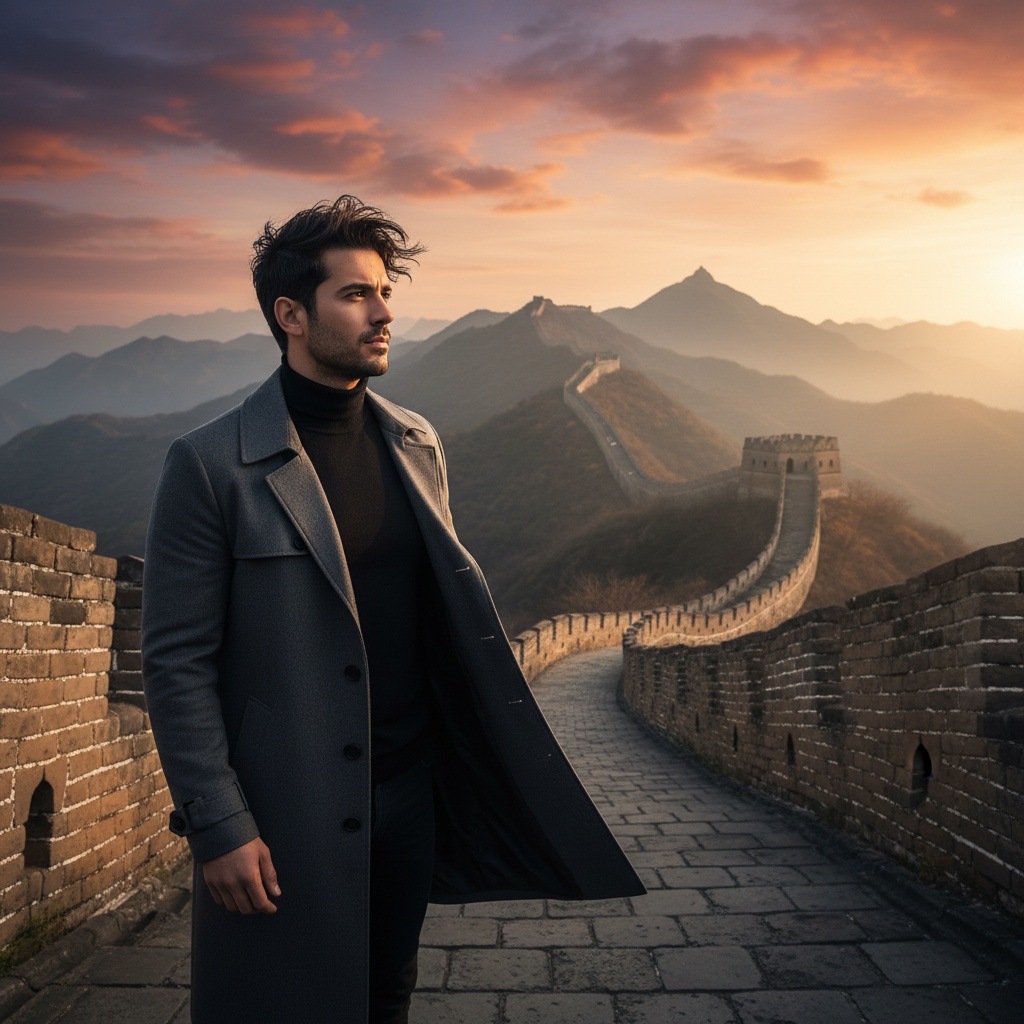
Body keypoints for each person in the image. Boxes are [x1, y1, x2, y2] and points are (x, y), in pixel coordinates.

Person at [142, 195, 644, 1024]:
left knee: (386, 996)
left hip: (407, 793)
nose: (383, 314)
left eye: (385, 292)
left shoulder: (416, 442)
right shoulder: (208, 466)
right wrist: (216, 823)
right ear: (290, 314)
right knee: (281, 1003)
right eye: (356, 295)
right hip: (285, 804)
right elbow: (175, 662)